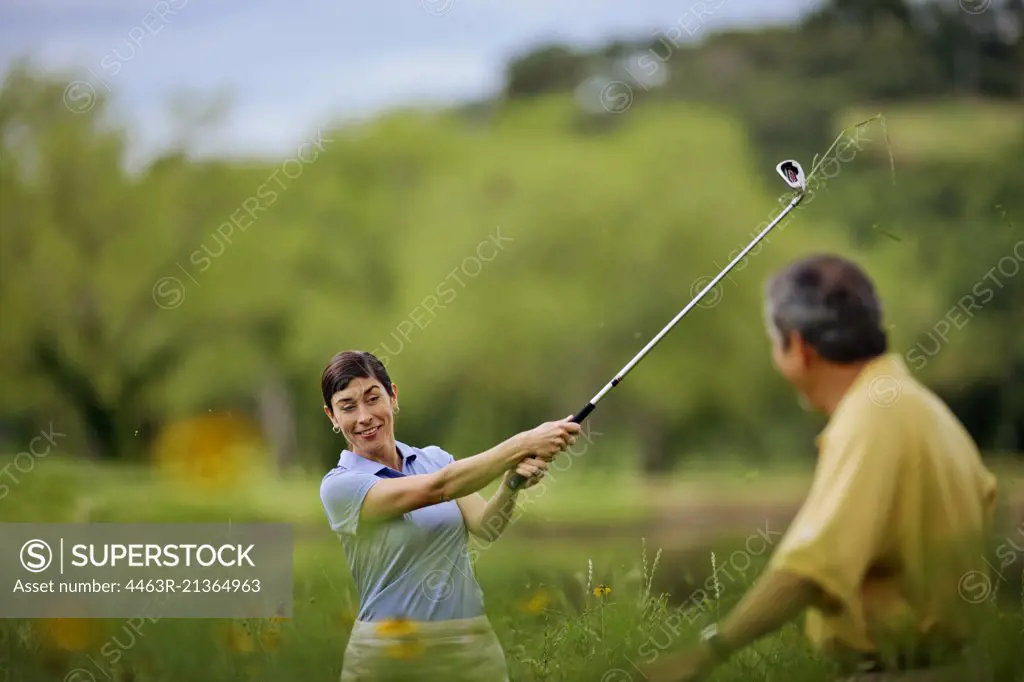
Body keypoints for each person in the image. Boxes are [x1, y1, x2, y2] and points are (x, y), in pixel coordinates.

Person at [645, 254, 999, 682]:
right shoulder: (925, 409)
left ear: (797, 346)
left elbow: (809, 568)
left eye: (774, 342)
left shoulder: (870, 418)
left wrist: (704, 656)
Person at [318, 350, 581, 682]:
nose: (364, 416)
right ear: (332, 416)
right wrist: (524, 442)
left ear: (393, 396)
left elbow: (485, 527)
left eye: (373, 398)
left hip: (471, 643)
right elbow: (439, 488)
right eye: (348, 407)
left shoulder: (435, 459)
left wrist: (511, 484)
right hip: (387, 654)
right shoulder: (340, 487)